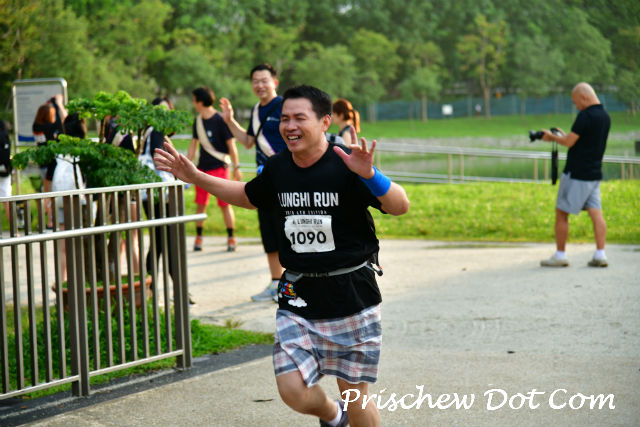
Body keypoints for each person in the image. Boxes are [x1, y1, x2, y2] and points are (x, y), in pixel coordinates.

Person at [155, 85, 410, 427]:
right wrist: (195, 176)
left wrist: (370, 174)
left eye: (299, 118)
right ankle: (334, 415)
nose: (289, 126)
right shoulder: (278, 168)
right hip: (298, 294)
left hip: (352, 292)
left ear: (324, 122)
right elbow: (247, 195)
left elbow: (400, 205)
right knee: (292, 390)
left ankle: (345, 410)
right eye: (285, 118)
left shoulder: (347, 163)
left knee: (355, 395)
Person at [219, 63, 288, 302]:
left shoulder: (285, 106)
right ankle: (276, 283)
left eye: (264, 80)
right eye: (255, 81)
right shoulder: (257, 110)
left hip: (287, 179)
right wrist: (230, 121)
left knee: (287, 232)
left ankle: (291, 286)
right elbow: (248, 141)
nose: (260, 85)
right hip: (264, 180)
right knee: (269, 232)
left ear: (274, 82)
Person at [540, 82, 610, 268]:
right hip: (594, 174)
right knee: (596, 213)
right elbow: (581, 141)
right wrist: (563, 136)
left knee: (561, 212)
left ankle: (560, 255)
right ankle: (600, 254)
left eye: (576, 102)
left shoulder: (585, 116)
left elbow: (569, 143)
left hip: (577, 173)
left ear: (584, 97)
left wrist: (551, 137)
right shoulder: (605, 116)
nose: (576, 106)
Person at [188, 87, 241, 252]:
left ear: (200, 101)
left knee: (225, 204)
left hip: (220, 167)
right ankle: (199, 237)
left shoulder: (220, 120)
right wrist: (186, 166)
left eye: (194, 100)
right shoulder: (198, 121)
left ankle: (231, 237)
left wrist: (237, 167)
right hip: (202, 169)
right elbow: (193, 145)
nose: (193, 103)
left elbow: (231, 145)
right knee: (200, 205)